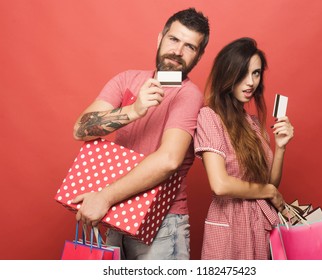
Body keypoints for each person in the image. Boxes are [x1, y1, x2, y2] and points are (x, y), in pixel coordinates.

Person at [70, 8, 209, 260]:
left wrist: (104, 197)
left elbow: (168, 160)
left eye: (189, 46)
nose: (177, 51)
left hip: (162, 225)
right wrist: (134, 110)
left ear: (198, 56)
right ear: (160, 39)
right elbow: (80, 129)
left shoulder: (189, 95)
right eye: (174, 39)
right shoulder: (126, 80)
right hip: (115, 217)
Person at [194, 37, 294, 259]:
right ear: (227, 73)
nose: (251, 82)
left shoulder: (253, 123)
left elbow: (270, 183)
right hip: (228, 222)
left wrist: (280, 148)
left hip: (258, 225)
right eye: (244, 73)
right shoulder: (209, 117)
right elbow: (220, 185)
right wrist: (269, 192)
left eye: (256, 73)